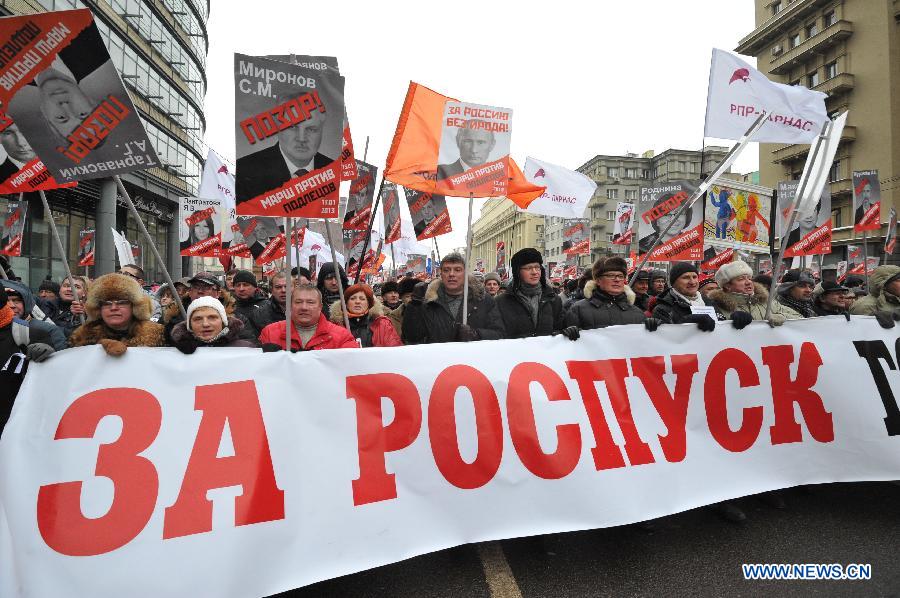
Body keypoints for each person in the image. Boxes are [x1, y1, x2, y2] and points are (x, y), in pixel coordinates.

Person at [236, 106, 334, 204]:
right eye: (292, 127)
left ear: (321, 132)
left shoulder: (334, 170)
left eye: (311, 129)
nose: (302, 138)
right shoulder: (244, 171)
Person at [402, 252, 505, 344]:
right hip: (438, 362)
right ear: (441, 273)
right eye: (446, 270)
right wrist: (414, 305)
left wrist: (476, 335)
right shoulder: (427, 302)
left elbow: (499, 334)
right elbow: (411, 337)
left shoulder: (483, 300)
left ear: (465, 273)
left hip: (472, 362)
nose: (451, 274)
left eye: (457, 270)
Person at [0, 286, 55, 432]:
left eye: (17, 301)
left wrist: (49, 357)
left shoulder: (31, 334)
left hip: (15, 428)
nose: (13, 304)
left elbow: (50, 386)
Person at [69, 273, 165, 355]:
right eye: (107, 304)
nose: (113, 308)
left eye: (121, 303)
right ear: (98, 309)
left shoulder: (157, 334)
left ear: (134, 307)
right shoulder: (82, 336)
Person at [495, 248, 575, 339]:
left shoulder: (553, 299)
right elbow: (496, 333)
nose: (534, 272)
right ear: (517, 272)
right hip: (515, 352)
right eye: (529, 268)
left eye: (537, 267)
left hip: (546, 352)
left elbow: (560, 326)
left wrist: (567, 330)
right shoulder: (501, 302)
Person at [259, 283, 356, 351]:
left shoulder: (342, 337)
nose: (304, 307)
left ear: (320, 307)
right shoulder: (270, 333)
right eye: (298, 302)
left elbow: (352, 369)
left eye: (310, 302)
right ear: (290, 305)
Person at [565, 257, 651, 331]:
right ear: (598, 281)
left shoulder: (637, 313)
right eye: (611, 275)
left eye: (620, 276)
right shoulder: (578, 309)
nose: (617, 279)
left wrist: (652, 328)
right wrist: (567, 333)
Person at [707, 261, 802, 327]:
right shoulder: (717, 307)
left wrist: (782, 317)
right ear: (727, 286)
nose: (748, 282)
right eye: (741, 279)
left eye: (749, 278)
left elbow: (800, 318)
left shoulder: (769, 302)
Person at [170, 296, 259, 353]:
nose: (205, 324)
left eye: (212, 317)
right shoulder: (174, 353)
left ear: (223, 321)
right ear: (189, 325)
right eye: (198, 319)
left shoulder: (245, 349)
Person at [329, 283, 402, 348]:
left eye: (362, 299)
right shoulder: (335, 326)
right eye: (352, 298)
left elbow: (394, 350)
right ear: (346, 304)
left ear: (369, 303)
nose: (357, 302)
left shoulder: (382, 325)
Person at [1, 280, 67, 350]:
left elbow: (63, 357)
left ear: (26, 303)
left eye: (16, 300)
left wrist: (49, 353)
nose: (11, 305)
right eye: (5, 301)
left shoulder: (48, 330)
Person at [651, 262, 721, 329]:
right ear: (674, 282)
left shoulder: (709, 302)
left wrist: (730, 322)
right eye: (686, 277)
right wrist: (686, 322)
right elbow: (665, 337)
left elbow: (722, 325)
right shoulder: (662, 309)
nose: (692, 282)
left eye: (694, 277)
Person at [231, 269, 266, 335]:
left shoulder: (266, 306)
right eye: (238, 285)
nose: (241, 289)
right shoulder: (229, 307)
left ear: (255, 287)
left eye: (245, 285)